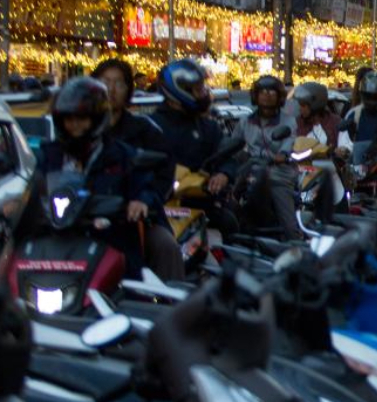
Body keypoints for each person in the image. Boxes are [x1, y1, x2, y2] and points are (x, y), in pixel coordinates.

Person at [37, 78, 165, 280]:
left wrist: (141, 201)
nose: (74, 125)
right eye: (68, 119)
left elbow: (145, 185)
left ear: (97, 118)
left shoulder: (122, 156)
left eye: (82, 118)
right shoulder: (49, 155)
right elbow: (33, 185)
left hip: (110, 241)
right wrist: (18, 202)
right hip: (57, 239)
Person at [90, 59, 184, 280]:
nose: (111, 90)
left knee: (165, 246)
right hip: (83, 217)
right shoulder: (79, 128)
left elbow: (161, 174)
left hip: (134, 218)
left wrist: (144, 200)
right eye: (105, 82)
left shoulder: (144, 130)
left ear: (129, 90)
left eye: (118, 83)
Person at [150, 59, 238, 230]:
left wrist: (223, 174)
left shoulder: (209, 127)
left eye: (203, 88)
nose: (204, 93)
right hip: (160, 209)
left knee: (230, 226)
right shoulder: (151, 127)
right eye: (198, 89)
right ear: (180, 91)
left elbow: (227, 156)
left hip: (202, 205)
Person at [230, 75, 300, 239]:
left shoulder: (288, 122)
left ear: (280, 96)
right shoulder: (245, 121)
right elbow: (233, 145)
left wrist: (281, 155)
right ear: (255, 95)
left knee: (290, 227)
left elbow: (289, 144)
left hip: (277, 174)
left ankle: (296, 243)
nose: (267, 95)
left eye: (271, 91)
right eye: (262, 91)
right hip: (248, 172)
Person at [293, 81, 347, 220]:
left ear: (315, 104)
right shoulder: (296, 124)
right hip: (303, 173)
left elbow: (346, 144)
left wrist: (342, 150)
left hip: (330, 174)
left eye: (304, 105)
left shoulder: (335, 121)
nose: (301, 109)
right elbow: (291, 143)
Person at [341, 71, 377, 161]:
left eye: (376, 97)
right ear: (362, 94)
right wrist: (343, 150)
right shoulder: (353, 114)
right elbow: (343, 143)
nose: (372, 101)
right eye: (368, 96)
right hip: (358, 166)